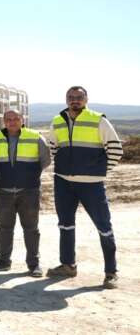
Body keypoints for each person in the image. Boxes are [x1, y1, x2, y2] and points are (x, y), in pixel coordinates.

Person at [45, 86, 123, 289]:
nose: (75, 100)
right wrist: (64, 167)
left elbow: (115, 148)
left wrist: (99, 170)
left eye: (79, 97)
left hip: (91, 185)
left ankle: (111, 272)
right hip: (63, 182)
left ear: (86, 99)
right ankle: (68, 265)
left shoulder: (98, 120)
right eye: (71, 97)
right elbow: (52, 148)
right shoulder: (57, 121)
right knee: (65, 225)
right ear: (66, 100)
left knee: (104, 227)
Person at [0, 109, 50, 276]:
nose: (12, 122)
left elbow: (45, 160)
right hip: (3, 190)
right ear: (4, 122)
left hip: (29, 190)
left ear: (22, 120)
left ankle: (34, 264)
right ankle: (4, 261)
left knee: (31, 228)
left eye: (16, 118)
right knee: (4, 228)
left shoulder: (35, 137)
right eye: (8, 119)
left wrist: (29, 174)